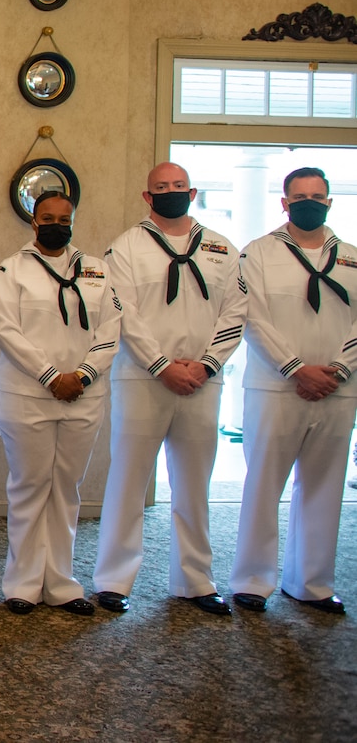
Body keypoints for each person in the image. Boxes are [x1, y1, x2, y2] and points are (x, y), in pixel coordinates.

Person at [93, 162, 246, 616]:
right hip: (144, 378)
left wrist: (206, 365)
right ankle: (113, 580)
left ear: (193, 192)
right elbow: (123, 312)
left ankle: (195, 580)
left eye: (178, 186)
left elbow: (236, 313)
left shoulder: (222, 248)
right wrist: (162, 365)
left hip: (202, 380)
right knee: (129, 481)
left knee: (194, 483)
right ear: (147, 196)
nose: (171, 192)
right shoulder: (126, 248)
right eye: (162, 187)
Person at [230, 166, 357, 615]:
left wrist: (339, 370)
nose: (309, 202)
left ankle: (312, 583)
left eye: (317, 196)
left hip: (339, 390)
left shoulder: (353, 256)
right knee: (263, 483)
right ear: (284, 203)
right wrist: (296, 369)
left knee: (324, 486)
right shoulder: (258, 253)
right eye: (298, 196)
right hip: (275, 387)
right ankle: (252, 580)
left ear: (329, 202)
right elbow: (252, 317)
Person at [0, 190, 120, 616]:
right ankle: (23, 582)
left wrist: (80, 376)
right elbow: (7, 331)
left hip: (83, 394)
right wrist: (50, 375)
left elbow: (110, 332)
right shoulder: (12, 270)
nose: (57, 225)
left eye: (65, 218)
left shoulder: (98, 270)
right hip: (28, 394)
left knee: (66, 488)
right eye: (48, 217)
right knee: (29, 486)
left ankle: (61, 581)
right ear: (33, 222)